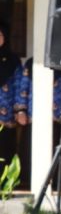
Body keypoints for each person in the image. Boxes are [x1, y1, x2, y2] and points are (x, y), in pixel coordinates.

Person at [14, 59, 61, 189]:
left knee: (55, 146)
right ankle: (29, 182)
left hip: (56, 115)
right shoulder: (31, 63)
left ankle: (55, 182)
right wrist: (21, 110)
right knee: (31, 148)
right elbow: (23, 87)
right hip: (34, 115)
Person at [0, 22, 21, 180]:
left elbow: (19, 84)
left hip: (7, 113)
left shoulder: (13, 60)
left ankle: (6, 182)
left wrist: (19, 109)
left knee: (5, 148)